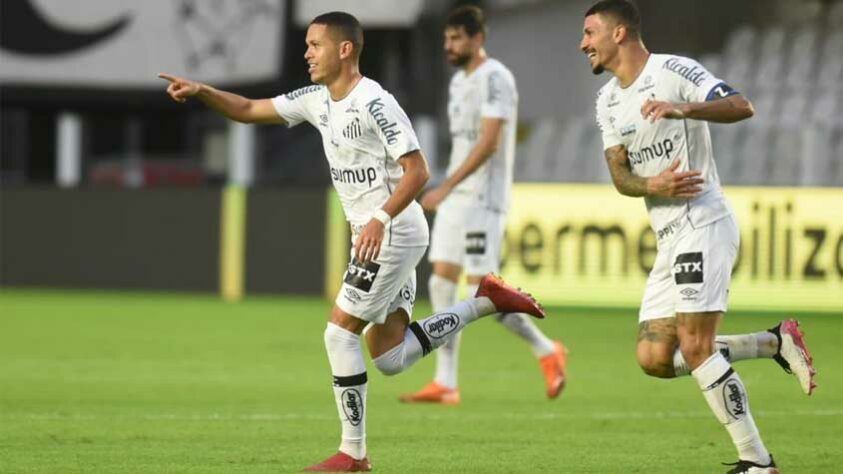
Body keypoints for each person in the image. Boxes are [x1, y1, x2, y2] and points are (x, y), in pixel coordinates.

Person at [160, 11, 546, 473]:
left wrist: (381, 218)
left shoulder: (375, 102)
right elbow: (247, 109)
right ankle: (484, 301)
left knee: (338, 334)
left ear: (345, 50)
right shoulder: (317, 100)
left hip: (392, 231)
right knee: (389, 357)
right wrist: (204, 91)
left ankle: (353, 455)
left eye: (315, 45)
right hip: (377, 235)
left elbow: (418, 170)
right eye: (306, 45)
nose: (306, 53)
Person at [580, 1, 816, 472]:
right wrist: (653, 186)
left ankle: (757, 462)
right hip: (668, 237)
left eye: (590, 32)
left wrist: (681, 107)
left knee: (695, 346)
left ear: (620, 32)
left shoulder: (674, 70)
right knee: (653, 357)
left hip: (702, 221)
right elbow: (621, 176)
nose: (583, 43)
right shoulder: (606, 101)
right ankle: (773, 343)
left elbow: (741, 105)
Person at [400, 5, 568, 406]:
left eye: (456, 38)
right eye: (446, 39)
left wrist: (444, 186)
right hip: (457, 196)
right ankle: (446, 381)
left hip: (483, 198)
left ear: (478, 39)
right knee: (440, 281)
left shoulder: (496, 78)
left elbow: (489, 141)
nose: (449, 45)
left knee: (484, 293)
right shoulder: (459, 82)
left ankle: (547, 349)